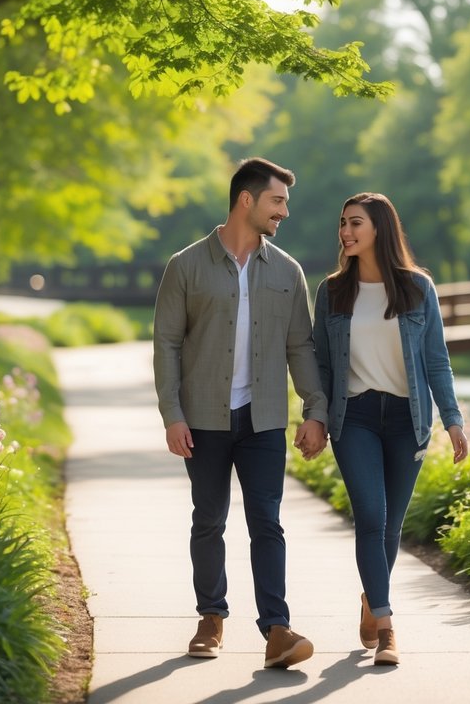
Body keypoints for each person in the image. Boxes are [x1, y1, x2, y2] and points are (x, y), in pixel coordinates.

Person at [153, 157, 329, 669]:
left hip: (264, 418)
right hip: (203, 418)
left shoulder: (288, 272)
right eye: (278, 201)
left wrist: (314, 411)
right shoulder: (185, 266)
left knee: (267, 523)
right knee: (208, 520)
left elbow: (301, 347)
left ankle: (276, 629)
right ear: (247, 200)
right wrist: (172, 414)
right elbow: (165, 342)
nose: (285, 213)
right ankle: (211, 617)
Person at [311, 192, 469, 667]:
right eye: (342, 223)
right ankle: (386, 627)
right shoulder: (333, 291)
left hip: (408, 419)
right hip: (354, 416)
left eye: (355, 222)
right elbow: (319, 361)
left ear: (380, 226)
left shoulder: (418, 289)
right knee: (371, 518)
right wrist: (314, 416)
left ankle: (369, 599)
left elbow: (437, 362)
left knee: (391, 527)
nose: (345, 231)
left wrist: (453, 419)